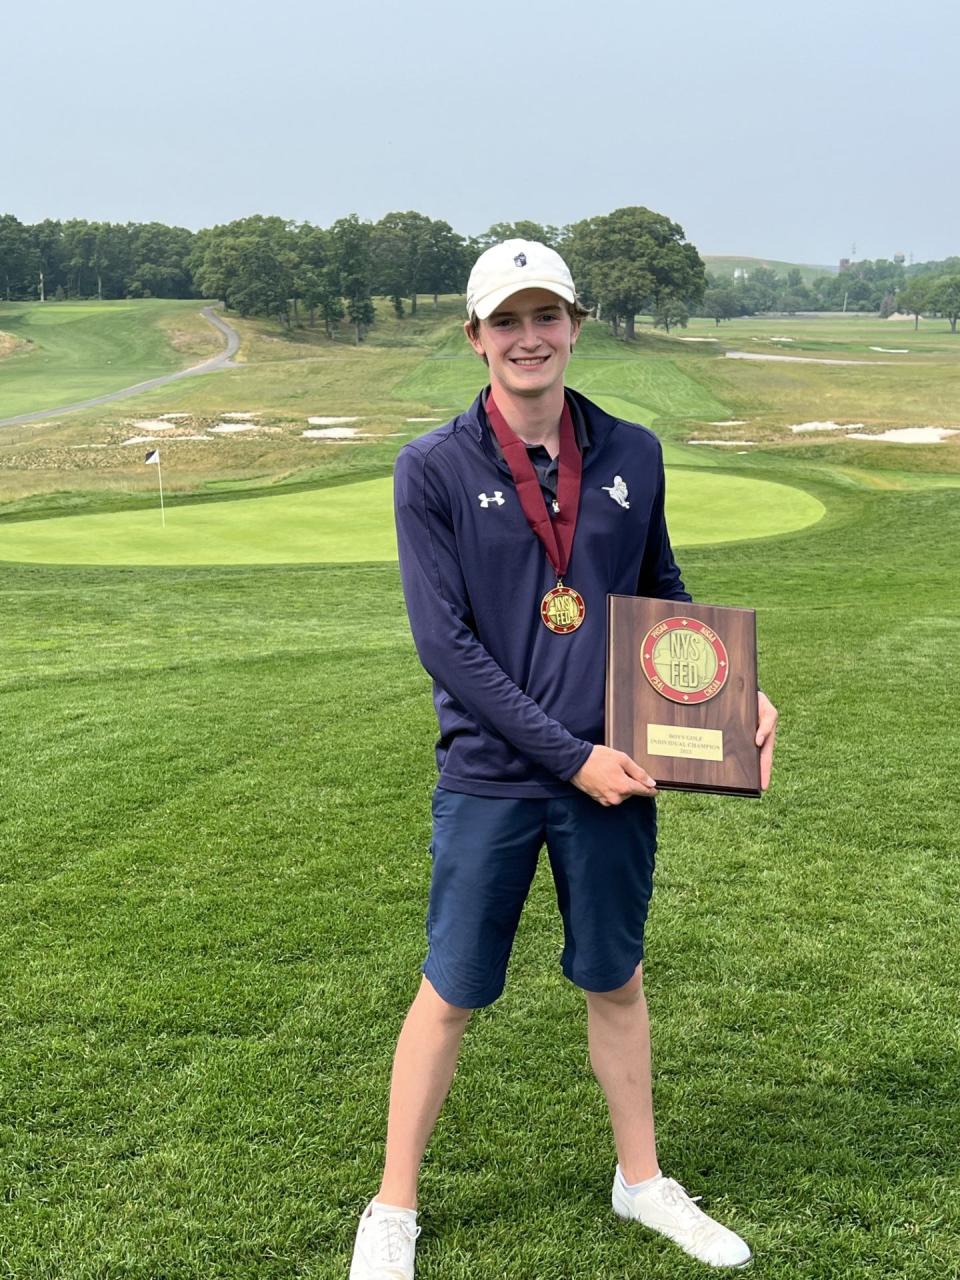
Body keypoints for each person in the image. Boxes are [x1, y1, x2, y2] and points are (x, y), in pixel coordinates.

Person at [350, 240, 778, 1279]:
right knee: (449, 990)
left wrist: (728, 690)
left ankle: (642, 1180)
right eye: (507, 320)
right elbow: (445, 645)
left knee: (616, 978)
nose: (529, 337)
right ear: (476, 337)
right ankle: (392, 1206)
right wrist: (569, 753)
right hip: (494, 777)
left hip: (617, 773)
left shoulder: (632, 450)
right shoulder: (433, 467)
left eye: (546, 316)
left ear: (575, 324)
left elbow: (659, 585)